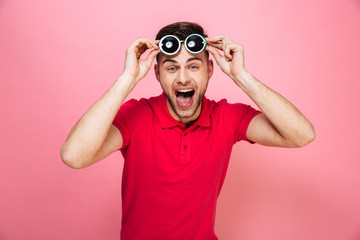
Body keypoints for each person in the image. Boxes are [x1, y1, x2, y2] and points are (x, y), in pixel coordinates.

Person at [60, 22, 315, 239]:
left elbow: (301, 135)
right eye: (172, 68)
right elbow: (74, 156)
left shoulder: (227, 117)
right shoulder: (137, 116)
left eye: (193, 66)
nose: (183, 78)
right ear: (157, 73)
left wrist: (241, 76)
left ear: (210, 70)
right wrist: (127, 78)